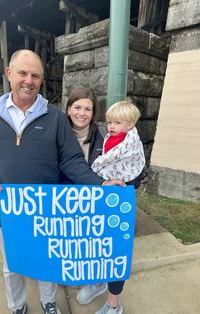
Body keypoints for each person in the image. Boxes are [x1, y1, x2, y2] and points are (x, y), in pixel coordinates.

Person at [0, 49, 124, 314]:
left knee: (47, 260)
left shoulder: (54, 117)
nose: (28, 80)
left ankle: (49, 302)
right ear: (9, 74)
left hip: (46, 209)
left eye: (35, 75)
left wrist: (100, 184)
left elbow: (71, 160)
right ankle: (17, 306)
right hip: (7, 209)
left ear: (41, 80)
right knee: (13, 264)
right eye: (22, 73)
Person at [66, 92, 144, 314]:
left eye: (87, 109)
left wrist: (122, 183)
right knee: (94, 247)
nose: (82, 113)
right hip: (87, 204)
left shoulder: (109, 138)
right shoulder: (60, 134)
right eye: (77, 107)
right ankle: (97, 281)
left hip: (114, 203)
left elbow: (134, 170)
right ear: (69, 108)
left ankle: (113, 304)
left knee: (115, 250)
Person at [89, 100, 145, 314]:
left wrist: (99, 167)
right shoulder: (111, 137)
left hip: (120, 195)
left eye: (117, 122)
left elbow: (123, 161)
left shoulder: (127, 141)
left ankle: (114, 304)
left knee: (116, 245)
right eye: (109, 121)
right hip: (102, 195)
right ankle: (97, 282)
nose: (110, 126)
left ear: (130, 124)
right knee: (96, 240)